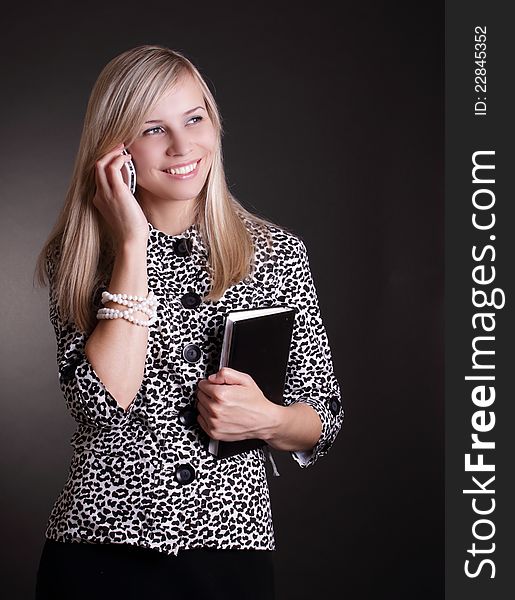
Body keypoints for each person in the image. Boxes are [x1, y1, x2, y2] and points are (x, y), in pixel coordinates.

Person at [33, 44, 344, 600]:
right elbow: (101, 405)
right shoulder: (79, 257)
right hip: (98, 555)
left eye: (194, 119)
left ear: (214, 124)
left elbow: (323, 418)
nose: (182, 147)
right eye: (153, 129)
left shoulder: (276, 254)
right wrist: (132, 245)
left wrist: (266, 420)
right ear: (116, 149)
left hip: (231, 557)